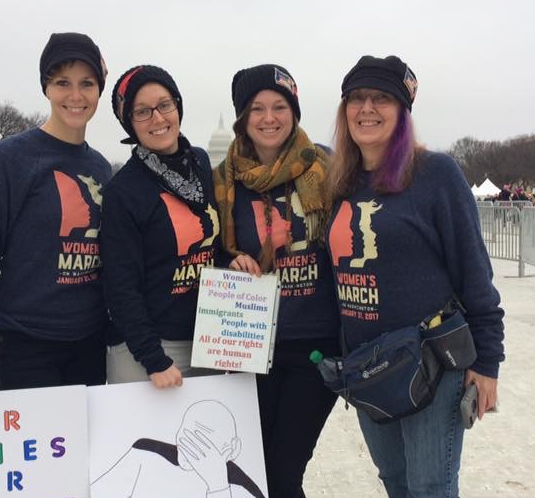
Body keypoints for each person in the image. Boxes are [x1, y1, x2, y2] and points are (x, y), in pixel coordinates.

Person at [325, 55, 505, 498]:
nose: (367, 108)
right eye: (357, 98)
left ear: (402, 111)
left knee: (430, 488)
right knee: (397, 484)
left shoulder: (435, 175)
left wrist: (487, 362)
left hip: (431, 364)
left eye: (382, 98)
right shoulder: (339, 182)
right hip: (367, 366)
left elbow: (475, 272)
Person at [0, 32, 112, 396]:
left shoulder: (100, 168)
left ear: (99, 90)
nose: (75, 96)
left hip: (88, 342)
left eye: (87, 84)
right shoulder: (11, 157)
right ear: (46, 88)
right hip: (26, 342)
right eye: (62, 83)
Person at [212, 64, 340, 498]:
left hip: (315, 342)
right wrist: (229, 264)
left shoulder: (328, 168)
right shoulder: (223, 180)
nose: (269, 118)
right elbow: (208, 249)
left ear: (294, 111)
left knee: (284, 475)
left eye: (279, 106)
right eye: (257, 108)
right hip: (250, 347)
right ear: (242, 117)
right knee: (254, 471)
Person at [102, 65, 221, 388]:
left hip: (206, 340)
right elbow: (120, 286)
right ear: (129, 122)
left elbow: (215, 245)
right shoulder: (123, 191)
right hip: (148, 350)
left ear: (177, 106)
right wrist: (153, 358)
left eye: (164, 104)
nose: (157, 118)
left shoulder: (200, 164)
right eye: (142, 112)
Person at [91, 400, 265, 498]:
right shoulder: (145, 454)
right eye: (186, 434)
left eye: (203, 440)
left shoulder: (243, 490)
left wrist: (218, 486)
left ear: (232, 450)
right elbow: (98, 491)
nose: (191, 447)